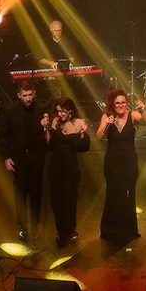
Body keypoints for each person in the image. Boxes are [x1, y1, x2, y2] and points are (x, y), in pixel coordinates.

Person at [0, 80, 48, 242]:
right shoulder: (10, 110)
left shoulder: (41, 108)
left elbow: (45, 137)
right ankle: (22, 227)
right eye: (25, 95)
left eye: (30, 95)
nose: (28, 98)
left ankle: (34, 226)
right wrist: (6, 157)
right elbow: (4, 136)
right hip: (18, 158)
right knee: (20, 194)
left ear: (34, 93)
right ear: (19, 95)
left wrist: (45, 127)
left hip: (36, 157)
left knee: (35, 193)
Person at [97, 89, 146, 245]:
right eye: (117, 103)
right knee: (113, 195)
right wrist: (107, 126)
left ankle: (129, 230)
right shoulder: (107, 116)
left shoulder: (131, 115)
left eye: (123, 103)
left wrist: (143, 109)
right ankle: (110, 230)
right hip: (112, 163)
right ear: (113, 104)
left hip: (129, 163)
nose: (120, 105)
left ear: (127, 103)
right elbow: (99, 136)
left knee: (128, 195)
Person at [45, 97, 90, 247]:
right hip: (56, 166)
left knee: (69, 200)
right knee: (56, 200)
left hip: (71, 167)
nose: (60, 114)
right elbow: (50, 145)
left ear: (70, 111)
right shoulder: (55, 122)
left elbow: (83, 148)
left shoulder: (78, 123)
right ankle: (61, 231)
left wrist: (83, 133)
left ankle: (70, 230)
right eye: (58, 111)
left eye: (63, 111)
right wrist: (46, 129)